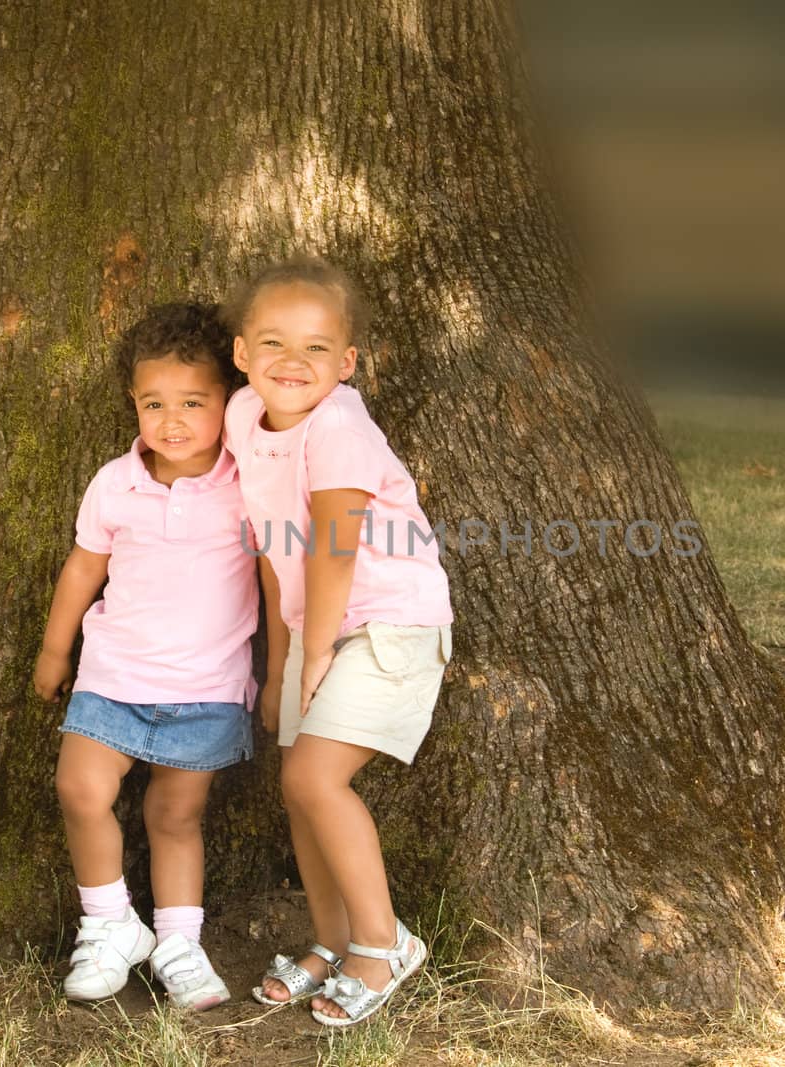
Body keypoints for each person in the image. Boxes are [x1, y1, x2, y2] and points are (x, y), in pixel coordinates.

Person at [224, 256, 453, 1027]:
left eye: (318, 348)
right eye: (275, 343)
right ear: (241, 351)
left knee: (318, 779)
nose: (294, 362)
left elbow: (333, 545)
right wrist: (282, 654)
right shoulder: (240, 419)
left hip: (388, 620)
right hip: (313, 626)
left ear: (347, 363)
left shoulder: (341, 425)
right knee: (296, 785)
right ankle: (332, 938)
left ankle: (384, 945)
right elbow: (268, 541)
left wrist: (314, 650)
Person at [33, 303, 256, 1010]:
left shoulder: (247, 486)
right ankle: (108, 926)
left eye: (194, 402)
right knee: (81, 789)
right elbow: (81, 569)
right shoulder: (115, 482)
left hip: (208, 685)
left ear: (228, 402)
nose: (173, 419)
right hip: (113, 674)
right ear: (134, 403)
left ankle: (178, 941)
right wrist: (53, 648)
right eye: (154, 403)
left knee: (175, 817)